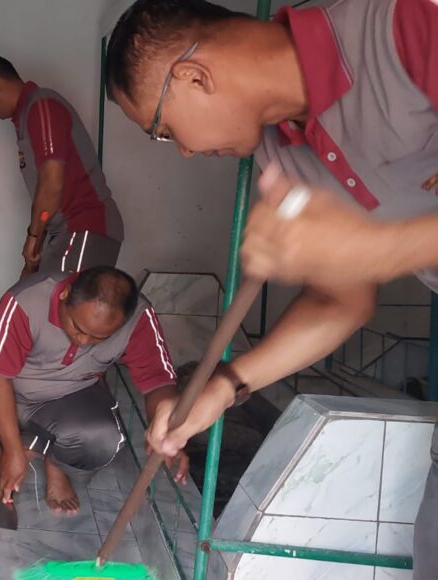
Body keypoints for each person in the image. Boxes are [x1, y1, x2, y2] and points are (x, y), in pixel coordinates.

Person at [105, 0, 438, 576]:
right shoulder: (280, 153)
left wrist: (373, 246)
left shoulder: (405, 23)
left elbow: (365, 255)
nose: (184, 151)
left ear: (193, 76)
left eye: (164, 131)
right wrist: (225, 386)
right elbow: (341, 298)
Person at [0, 266, 187, 515]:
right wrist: (12, 452)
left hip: (67, 397)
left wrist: (168, 427)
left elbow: (159, 381)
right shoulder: (26, 300)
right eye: (77, 327)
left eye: (98, 337)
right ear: (65, 295)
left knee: (103, 441)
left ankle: (55, 464)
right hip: (1, 386)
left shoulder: (139, 317)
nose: (83, 341)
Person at [0, 53, 125, 277]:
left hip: (85, 224)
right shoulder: (25, 117)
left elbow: (51, 183)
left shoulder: (41, 105)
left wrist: (34, 237)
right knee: (39, 294)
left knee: (61, 297)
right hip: (64, 230)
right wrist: (36, 246)